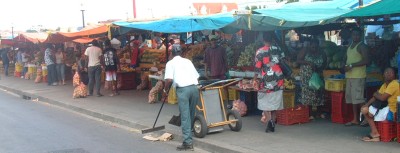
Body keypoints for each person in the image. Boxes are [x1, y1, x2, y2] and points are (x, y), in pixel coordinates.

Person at [163, 44, 199, 151]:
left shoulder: (170, 63)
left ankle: (187, 142)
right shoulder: (188, 61)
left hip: (183, 90)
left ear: (172, 53)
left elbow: (168, 80)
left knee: (185, 116)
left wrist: (165, 90)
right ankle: (189, 133)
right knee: (191, 113)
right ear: (181, 52)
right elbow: (196, 76)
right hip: (194, 88)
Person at [253, 34, 284, 133]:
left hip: (267, 80)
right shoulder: (278, 49)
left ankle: (269, 121)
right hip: (278, 79)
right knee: (274, 103)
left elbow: (258, 67)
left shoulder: (260, 51)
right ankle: (272, 122)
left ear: (263, 40)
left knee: (264, 101)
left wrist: (254, 78)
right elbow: (283, 60)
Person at [361, 67, 399, 142]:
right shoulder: (384, 85)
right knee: (365, 109)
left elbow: (382, 98)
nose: (388, 74)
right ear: (383, 75)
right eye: (386, 72)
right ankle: (375, 133)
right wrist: (366, 104)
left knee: (367, 112)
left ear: (394, 75)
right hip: (387, 109)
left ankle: (374, 134)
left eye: (391, 73)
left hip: (393, 112)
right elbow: (375, 97)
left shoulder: (394, 84)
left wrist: (375, 94)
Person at [344, 28, 370, 126]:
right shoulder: (350, 46)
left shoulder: (362, 46)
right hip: (350, 76)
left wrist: (351, 65)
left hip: (358, 76)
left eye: (358, 35)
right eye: (354, 34)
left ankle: (367, 119)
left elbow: (367, 61)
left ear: (361, 36)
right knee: (353, 99)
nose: (356, 36)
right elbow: (347, 59)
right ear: (352, 35)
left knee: (359, 99)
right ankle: (355, 119)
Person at [297, 39, 327, 119]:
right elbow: (298, 60)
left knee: (319, 92)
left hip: (318, 75)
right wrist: (309, 63)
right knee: (308, 94)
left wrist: (320, 68)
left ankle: (319, 112)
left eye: (316, 47)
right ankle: (310, 113)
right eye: (312, 46)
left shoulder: (322, 52)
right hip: (307, 75)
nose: (314, 48)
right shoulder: (305, 50)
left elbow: (325, 63)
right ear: (309, 45)